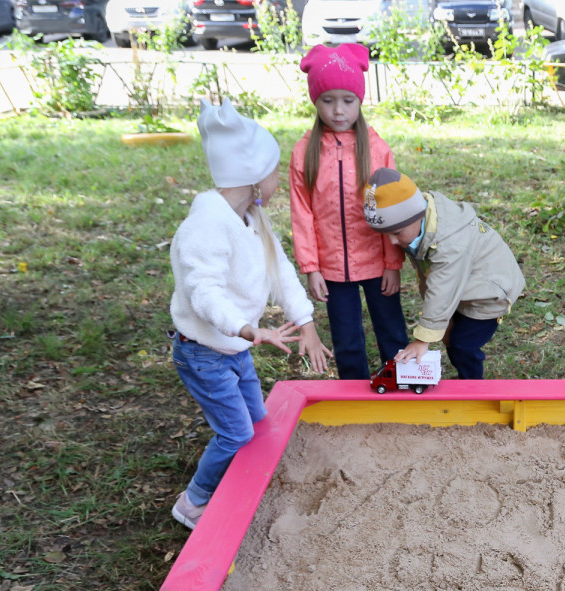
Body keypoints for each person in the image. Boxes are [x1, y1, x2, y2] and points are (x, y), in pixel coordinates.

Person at [169, 99, 331, 530]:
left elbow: (282, 274)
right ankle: (193, 502)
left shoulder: (253, 219)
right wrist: (247, 329)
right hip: (204, 352)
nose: (279, 180)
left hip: (235, 346)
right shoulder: (205, 225)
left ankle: (246, 480)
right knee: (236, 432)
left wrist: (308, 325)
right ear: (255, 175)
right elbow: (203, 292)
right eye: (276, 171)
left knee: (257, 421)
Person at [290, 43, 408, 380]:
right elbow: (302, 214)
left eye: (347, 100)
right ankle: (354, 397)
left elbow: (390, 209)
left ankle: (402, 384)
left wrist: (392, 264)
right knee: (347, 341)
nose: (338, 111)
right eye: (327, 101)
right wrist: (311, 268)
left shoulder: (377, 150)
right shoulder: (303, 152)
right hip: (331, 269)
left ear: (360, 101)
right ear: (316, 101)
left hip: (375, 262)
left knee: (392, 332)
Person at [362, 168, 525, 380]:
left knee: (462, 345)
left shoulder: (450, 244)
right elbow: (433, 281)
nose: (392, 242)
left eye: (396, 233)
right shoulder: (422, 228)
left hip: (489, 294)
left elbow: (442, 289)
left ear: (416, 216)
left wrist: (422, 340)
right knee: (450, 338)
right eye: (386, 235)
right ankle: (465, 378)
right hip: (463, 287)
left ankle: (473, 386)